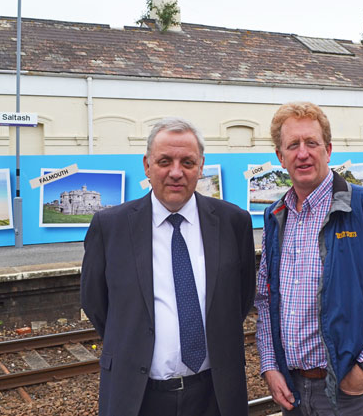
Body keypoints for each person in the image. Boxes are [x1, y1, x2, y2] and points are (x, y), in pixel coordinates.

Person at [255, 102, 363, 415]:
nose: (302, 153)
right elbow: (265, 300)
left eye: (311, 143)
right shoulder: (275, 215)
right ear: (280, 156)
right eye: (292, 145)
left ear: (328, 149)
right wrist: (270, 366)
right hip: (293, 392)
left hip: (349, 394)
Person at [81, 117, 256, 416]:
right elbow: (96, 305)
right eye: (165, 161)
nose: (176, 172)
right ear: (147, 166)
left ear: (201, 167)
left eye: (187, 162)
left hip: (215, 395)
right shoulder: (110, 227)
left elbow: (241, 299)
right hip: (139, 397)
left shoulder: (233, 222)